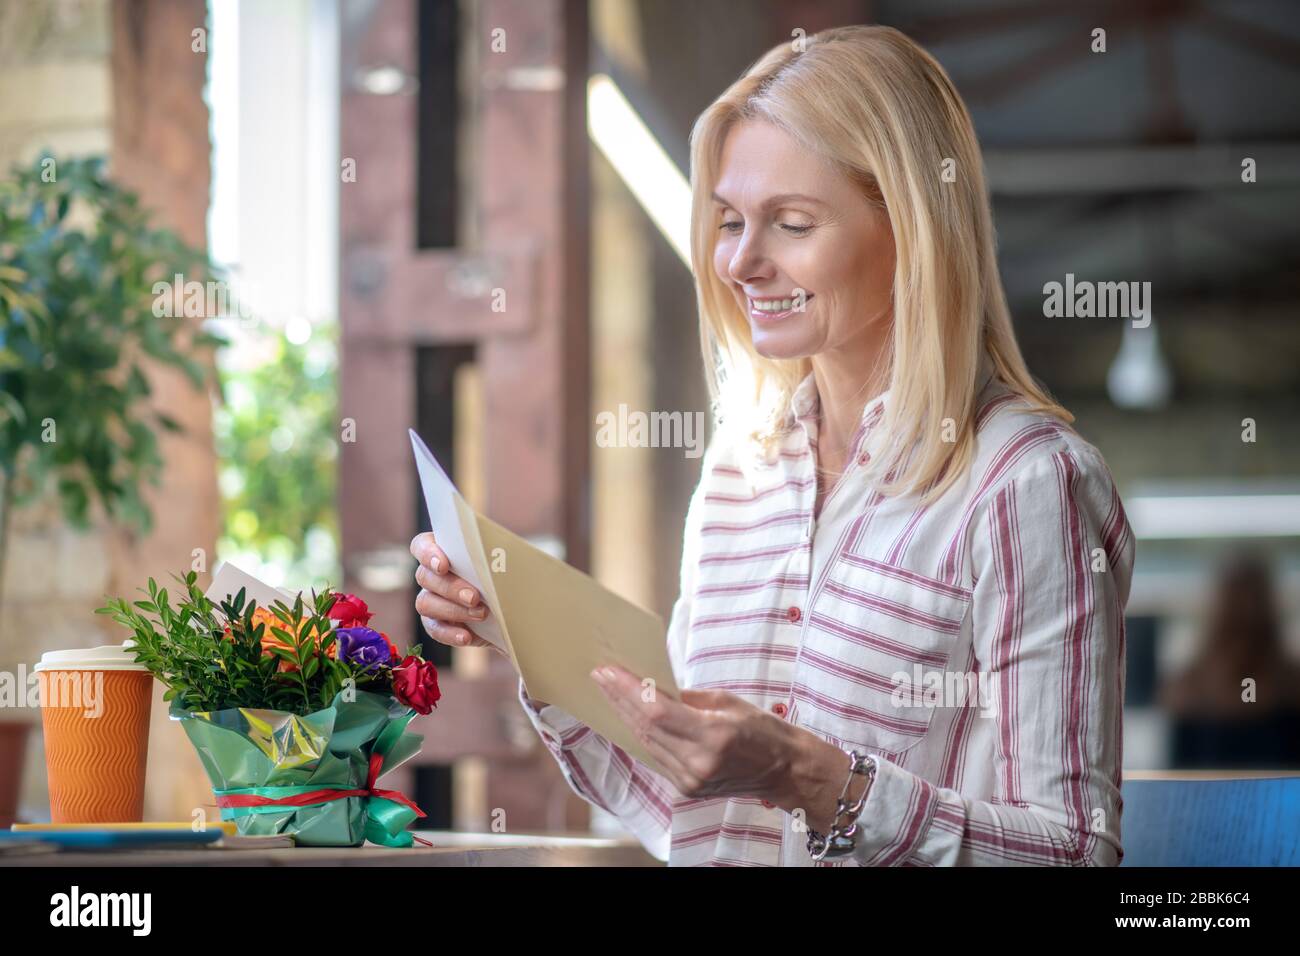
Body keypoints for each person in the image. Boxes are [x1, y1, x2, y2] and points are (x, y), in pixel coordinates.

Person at [411, 25, 1135, 866]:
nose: (740, 263)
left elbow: (1074, 854)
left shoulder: (1027, 485)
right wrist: (529, 637)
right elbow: (688, 808)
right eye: (728, 222)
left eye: (790, 224)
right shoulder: (738, 471)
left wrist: (811, 776)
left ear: (912, 228)